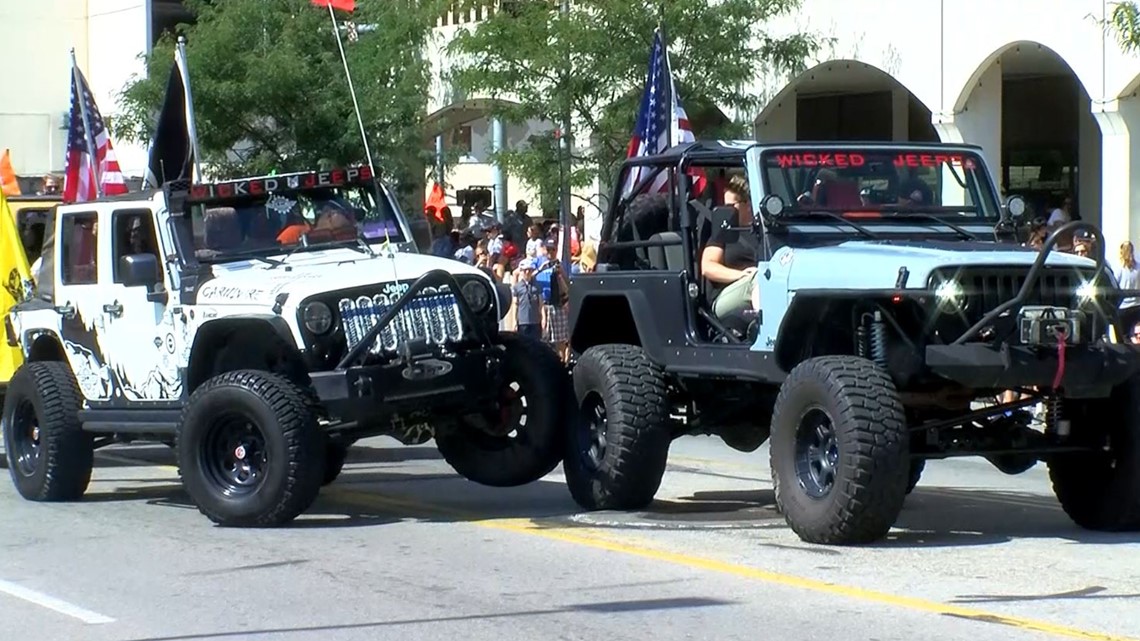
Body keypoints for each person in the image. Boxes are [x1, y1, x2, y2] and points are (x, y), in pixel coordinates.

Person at [700, 175, 759, 320]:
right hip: (725, 295)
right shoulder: (722, 232)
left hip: (760, 283)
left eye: (731, 206)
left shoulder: (764, 233)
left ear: (748, 204)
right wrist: (741, 275)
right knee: (761, 279)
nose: (727, 211)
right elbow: (708, 267)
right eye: (725, 206)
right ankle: (769, 333)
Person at [512, 258, 542, 340]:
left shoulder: (537, 286)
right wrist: (514, 321)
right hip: (522, 321)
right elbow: (515, 304)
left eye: (529, 270)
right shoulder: (517, 287)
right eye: (525, 270)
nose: (527, 272)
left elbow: (541, 304)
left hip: (535, 321)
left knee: (536, 344)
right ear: (521, 271)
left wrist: (543, 319)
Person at [1117, 241, 1140, 329]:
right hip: (1137, 305)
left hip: (1123, 306)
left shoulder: (1119, 268)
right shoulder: (1138, 267)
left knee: (1124, 337)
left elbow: (1115, 284)